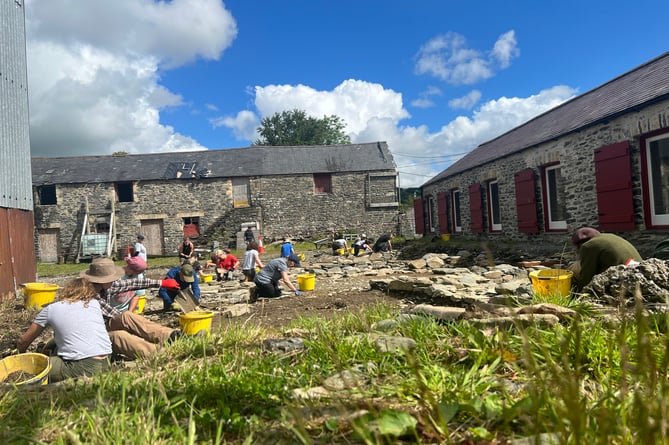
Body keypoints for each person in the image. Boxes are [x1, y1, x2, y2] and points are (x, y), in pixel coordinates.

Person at [80, 257, 184, 359]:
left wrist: (161, 283)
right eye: (111, 279)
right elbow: (113, 313)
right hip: (92, 335)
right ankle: (162, 354)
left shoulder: (104, 286)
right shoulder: (89, 295)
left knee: (126, 317)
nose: (114, 280)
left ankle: (172, 336)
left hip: (103, 325)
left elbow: (132, 284)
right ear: (101, 281)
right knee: (119, 336)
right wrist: (134, 329)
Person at [16, 278, 112, 383]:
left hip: (82, 367)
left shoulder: (51, 309)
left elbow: (23, 341)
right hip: (106, 361)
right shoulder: (94, 304)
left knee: (34, 366)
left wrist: (20, 358)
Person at [570, 226, 643, 290]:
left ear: (579, 244)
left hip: (622, 280)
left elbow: (586, 276)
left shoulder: (588, 246)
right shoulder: (609, 236)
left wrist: (581, 291)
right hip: (641, 273)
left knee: (573, 270)